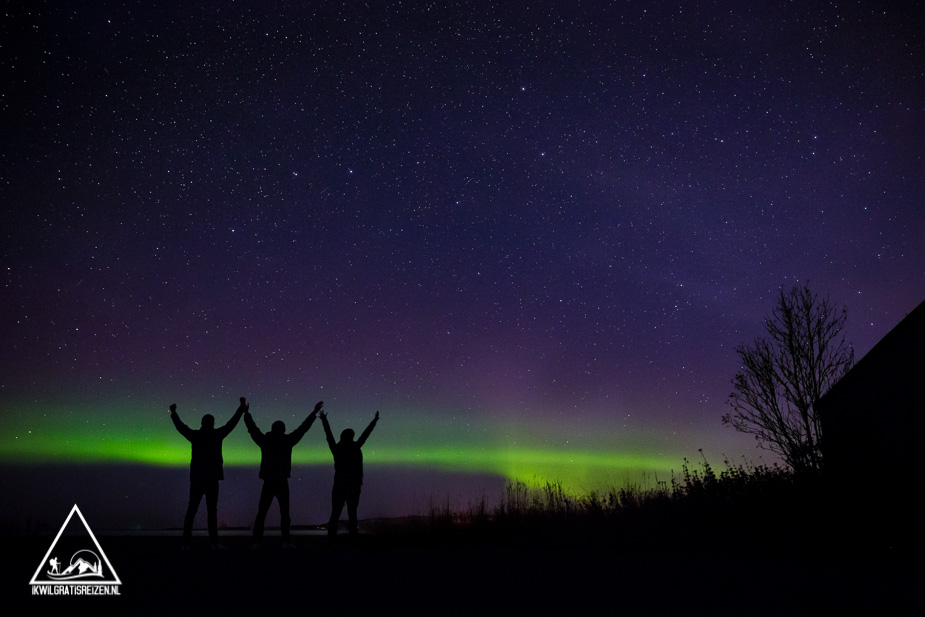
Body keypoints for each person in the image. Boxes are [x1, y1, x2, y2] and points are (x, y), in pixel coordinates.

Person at [244, 399, 324, 546]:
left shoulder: (265, 441)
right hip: (281, 481)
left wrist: (246, 413)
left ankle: (257, 540)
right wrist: (313, 413)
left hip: (269, 480)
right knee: (284, 514)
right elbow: (303, 429)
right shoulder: (287, 440)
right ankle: (285, 540)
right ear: (283, 429)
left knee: (262, 512)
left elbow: (252, 429)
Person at [169, 398, 246, 547]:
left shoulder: (195, 435)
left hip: (197, 478)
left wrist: (173, 413)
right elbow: (232, 423)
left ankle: (186, 541)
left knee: (192, 510)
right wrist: (241, 409)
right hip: (212, 478)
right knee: (212, 512)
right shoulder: (217, 434)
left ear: (202, 423)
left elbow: (180, 427)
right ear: (213, 423)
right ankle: (214, 542)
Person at [320, 409, 380, 539]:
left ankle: (331, 540)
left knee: (335, 513)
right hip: (354, 484)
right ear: (352, 436)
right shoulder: (356, 447)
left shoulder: (337, 448)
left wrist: (324, 420)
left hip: (339, 484)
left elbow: (328, 435)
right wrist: (374, 421)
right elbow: (366, 434)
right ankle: (353, 538)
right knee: (352, 513)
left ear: (342, 437)